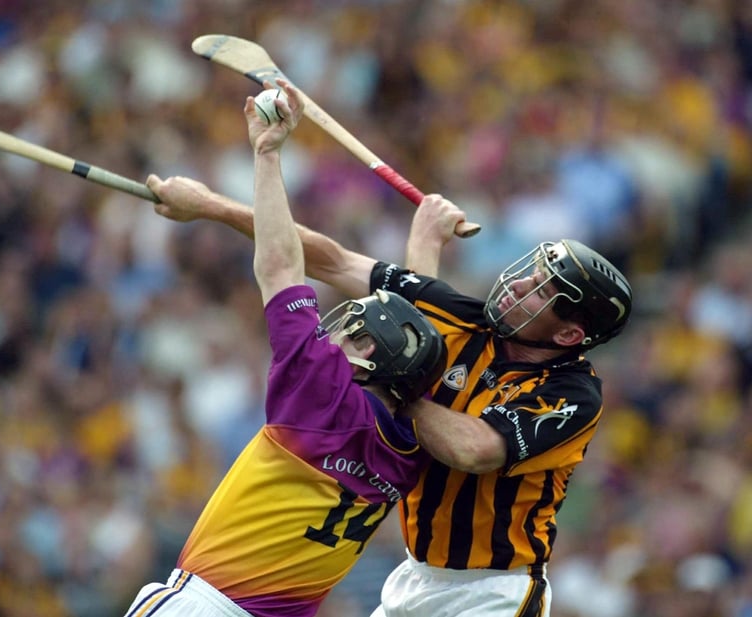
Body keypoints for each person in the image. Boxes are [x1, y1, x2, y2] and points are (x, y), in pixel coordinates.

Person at [145, 116, 633, 617]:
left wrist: (390, 380)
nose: (517, 285)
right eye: (531, 271)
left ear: (569, 335)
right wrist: (211, 206)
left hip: (492, 591)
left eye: (540, 291)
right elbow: (334, 261)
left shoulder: (574, 393)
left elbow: (474, 449)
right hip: (414, 579)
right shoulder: (463, 322)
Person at [123, 82, 447, 616]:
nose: (334, 335)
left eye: (350, 329)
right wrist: (427, 240)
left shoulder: (321, 388)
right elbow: (423, 340)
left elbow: (280, 264)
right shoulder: (414, 448)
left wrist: (266, 152)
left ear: (367, 352)